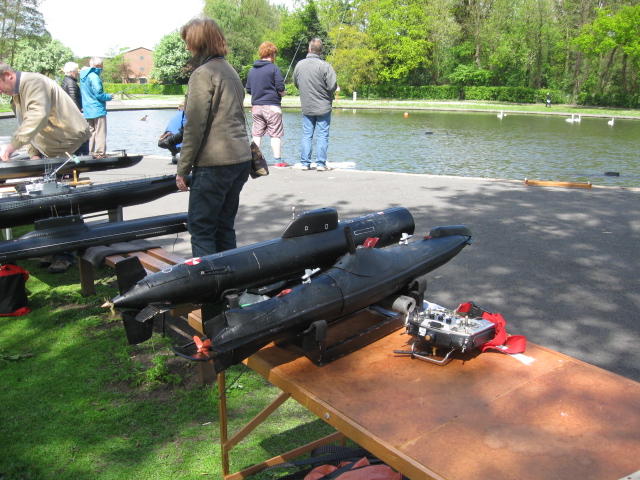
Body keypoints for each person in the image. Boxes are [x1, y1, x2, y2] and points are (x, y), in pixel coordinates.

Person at [0, 61, 91, 273]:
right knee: (46, 200)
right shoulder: (16, 94)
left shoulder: (33, 82)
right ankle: (52, 248)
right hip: (50, 148)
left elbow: (36, 116)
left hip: (69, 143)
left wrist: (12, 146)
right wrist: (33, 154)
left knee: (64, 201)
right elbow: (25, 122)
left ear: (7, 75)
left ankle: (65, 254)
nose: (0, 92)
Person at [175, 17, 252, 258]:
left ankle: (210, 288)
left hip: (215, 162)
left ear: (199, 42)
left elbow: (194, 127)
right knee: (223, 226)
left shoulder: (203, 73)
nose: (186, 47)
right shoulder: (229, 70)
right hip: (239, 159)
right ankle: (232, 283)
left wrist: (182, 168)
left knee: (201, 228)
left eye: (188, 42)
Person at [293, 38, 337, 172]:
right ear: (321, 51)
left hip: (307, 105)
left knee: (307, 134)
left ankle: (305, 163)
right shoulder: (325, 66)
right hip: (323, 106)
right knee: (323, 134)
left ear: (309, 49)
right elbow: (332, 86)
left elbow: (296, 82)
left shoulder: (299, 65)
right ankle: (320, 164)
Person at [245, 42, 287, 167]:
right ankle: (278, 161)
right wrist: (283, 93)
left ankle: (254, 160)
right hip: (272, 106)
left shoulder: (252, 70)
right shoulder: (274, 68)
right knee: (275, 134)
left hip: (256, 107)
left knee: (257, 134)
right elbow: (280, 87)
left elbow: (248, 89)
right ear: (272, 54)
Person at [80, 57, 114, 156]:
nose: (102, 68)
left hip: (87, 109)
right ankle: (100, 152)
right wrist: (109, 96)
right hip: (97, 109)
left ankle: (90, 152)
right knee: (100, 132)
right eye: (102, 66)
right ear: (97, 66)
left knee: (91, 132)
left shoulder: (83, 77)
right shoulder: (94, 76)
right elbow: (99, 94)